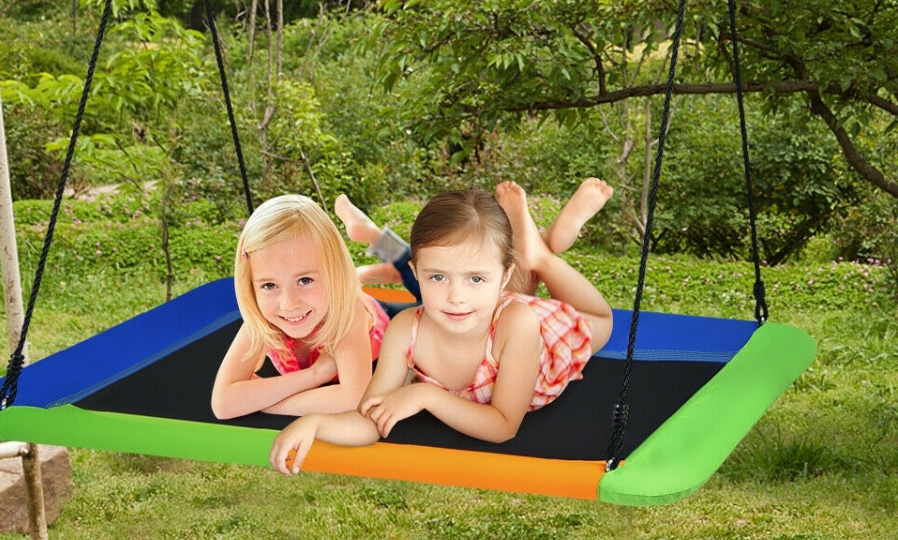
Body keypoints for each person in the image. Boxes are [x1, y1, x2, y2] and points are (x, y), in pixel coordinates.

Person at [270, 184, 615, 472]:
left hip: (543, 336)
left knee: (602, 322)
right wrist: (316, 423)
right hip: (493, 311)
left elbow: (503, 426)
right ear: (415, 274)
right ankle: (531, 247)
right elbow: (371, 418)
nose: (455, 298)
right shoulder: (406, 330)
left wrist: (424, 394)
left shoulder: (519, 323)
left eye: (475, 278)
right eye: (437, 277)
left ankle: (542, 256)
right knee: (491, 294)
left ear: (501, 275)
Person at [211, 193, 388, 420]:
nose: (288, 304)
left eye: (304, 281)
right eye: (269, 285)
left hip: (381, 322)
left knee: (412, 270)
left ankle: (369, 234)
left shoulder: (348, 310)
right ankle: (365, 263)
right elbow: (224, 404)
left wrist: (267, 404)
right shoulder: (263, 316)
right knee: (358, 277)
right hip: (332, 290)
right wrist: (315, 375)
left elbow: (354, 398)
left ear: (334, 276)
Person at [334, 179, 612, 298]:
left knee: (435, 276)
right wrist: (359, 275)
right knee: (516, 273)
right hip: (483, 307)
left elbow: (400, 274)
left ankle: (539, 247)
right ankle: (545, 243)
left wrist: (356, 276)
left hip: (461, 321)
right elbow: (399, 273)